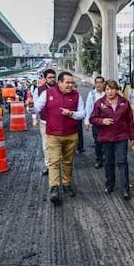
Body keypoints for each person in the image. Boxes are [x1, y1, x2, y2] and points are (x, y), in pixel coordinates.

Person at [34, 71, 85, 204]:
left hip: (71, 134)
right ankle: (54, 188)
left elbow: (83, 113)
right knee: (54, 162)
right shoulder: (47, 94)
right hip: (53, 135)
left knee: (68, 162)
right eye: (67, 82)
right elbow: (36, 108)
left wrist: (72, 114)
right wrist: (29, 107)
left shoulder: (77, 96)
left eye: (72, 82)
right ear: (60, 82)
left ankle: (67, 185)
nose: (70, 85)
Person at [89, 79, 134, 199]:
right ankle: (109, 185)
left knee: (122, 162)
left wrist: (132, 136)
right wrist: (102, 121)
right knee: (109, 162)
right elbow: (92, 119)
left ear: (117, 90)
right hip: (106, 137)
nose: (110, 92)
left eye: (112, 89)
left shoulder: (124, 103)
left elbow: (130, 120)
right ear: (104, 90)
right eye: (107, 89)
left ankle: (125, 189)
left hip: (121, 137)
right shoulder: (99, 103)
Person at [35, 70, 57, 177]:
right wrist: (34, 118)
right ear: (45, 79)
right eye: (50, 77)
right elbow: (35, 106)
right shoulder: (39, 90)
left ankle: (58, 165)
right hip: (45, 122)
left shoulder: (60, 88)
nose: (52, 79)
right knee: (46, 145)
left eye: (54, 77)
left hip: (59, 123)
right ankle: (48, 166)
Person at [85, 76, 106, 169]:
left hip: (107, 122)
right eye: (97, 82)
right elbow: (88, 108)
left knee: (107, 142)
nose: (98, 84)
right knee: (98, 142)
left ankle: (108, 158)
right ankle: (99, 160)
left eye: (100, 82)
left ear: (103, 84)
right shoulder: (91, 94)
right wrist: (87, 122)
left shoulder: (107, 93)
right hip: (96, 122)